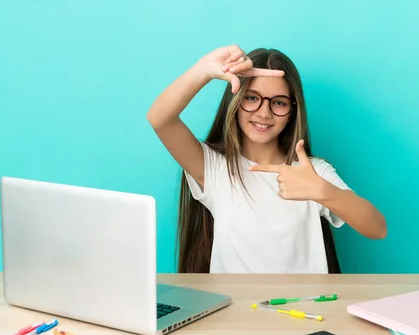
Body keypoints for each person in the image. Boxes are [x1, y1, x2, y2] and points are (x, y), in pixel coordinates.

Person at [146, 44, 387, 274]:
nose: (264, 113)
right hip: (235, 313)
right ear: (235, 101)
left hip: (303, 312)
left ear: (293, 111)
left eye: (279, 103)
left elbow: (377, 228)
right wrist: (205, 69)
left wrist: (323, 191)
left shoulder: (313, 171)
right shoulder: (214, 167)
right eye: (251, 98)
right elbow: (160, 119)